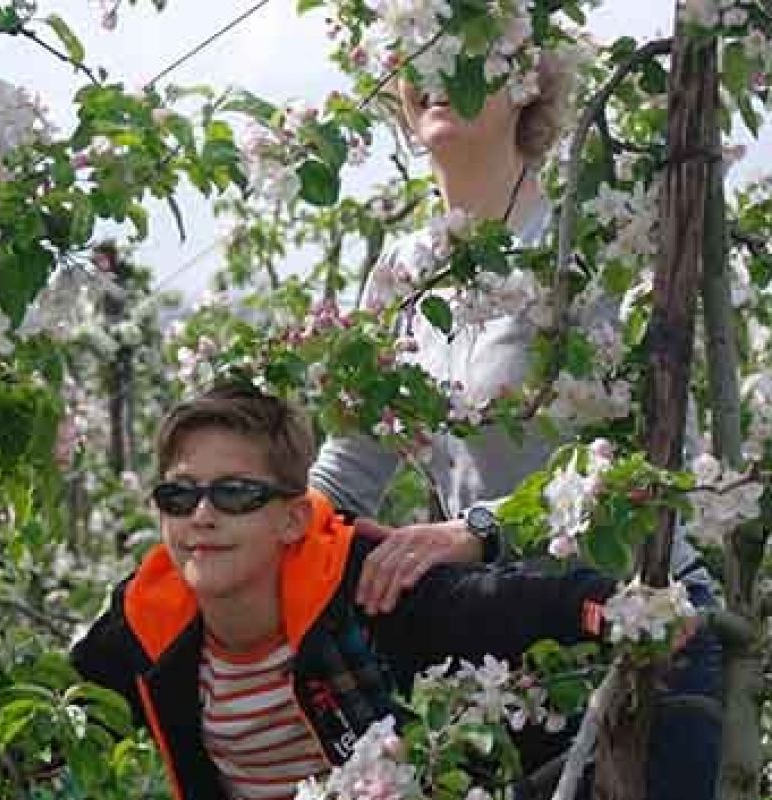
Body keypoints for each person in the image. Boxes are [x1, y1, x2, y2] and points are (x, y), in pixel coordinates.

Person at [0, 382, 630, 799]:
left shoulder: (368, 588)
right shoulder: (148, 624)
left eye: (234, 494)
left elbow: (540, 601)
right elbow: (27, 737)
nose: (201, 517)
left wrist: (622, 614)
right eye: (179, 497)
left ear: (291, 517)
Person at [307, 58, 721, 796]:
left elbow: (658, 470)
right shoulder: (401, 275)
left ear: (524, 76)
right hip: (502, 651)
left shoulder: (595, 245)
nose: (433, 73)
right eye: (414, 51)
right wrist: (243, 532)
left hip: (644, 620)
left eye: (462, 44)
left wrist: (481, 529)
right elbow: (344, 477)